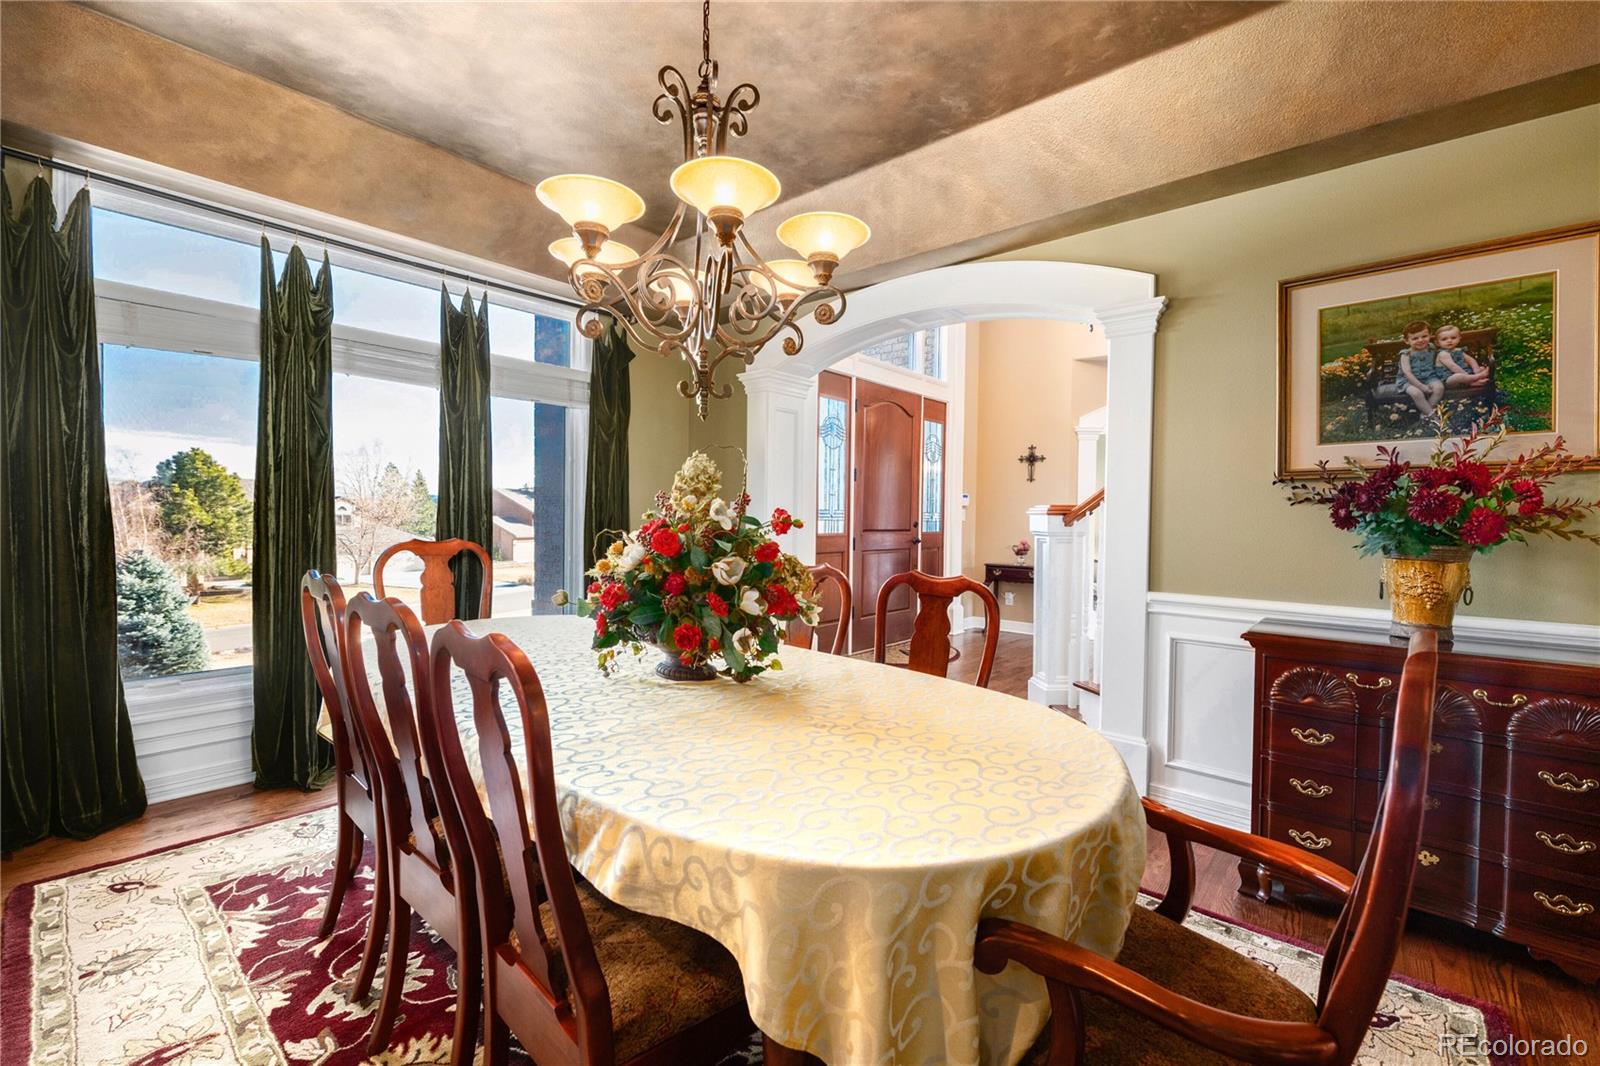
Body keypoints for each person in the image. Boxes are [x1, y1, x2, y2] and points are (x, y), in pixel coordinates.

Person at [1395, 320, 1446, 418]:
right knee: (1416, 393)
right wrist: (1421, 386)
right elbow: (1407, 373)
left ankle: (1425, 414)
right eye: (1415, 338)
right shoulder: (1406, 354)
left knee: (1439, 388)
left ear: (1430, 335)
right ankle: (1433, 417)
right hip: (1408, 381)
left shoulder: (1431, 348)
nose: (1420, 340)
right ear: (1407, 341)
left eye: (1424, 336)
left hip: (1429, 377)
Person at [1435, 323, 1491, 389]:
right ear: (1438, 343)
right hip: (1448, 380)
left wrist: (1476, 370)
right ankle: (1477, 378)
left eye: (1453, 338)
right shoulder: (1443, 354)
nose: (1449, 341)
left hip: (1465, 374)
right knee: (1458, 377)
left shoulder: (1458, 350)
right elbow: (1454, 367)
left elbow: (1471, 360)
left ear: (1459, 338)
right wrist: (1473, 377)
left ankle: (1473, 382)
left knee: (1481, 368)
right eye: (1444, 339)